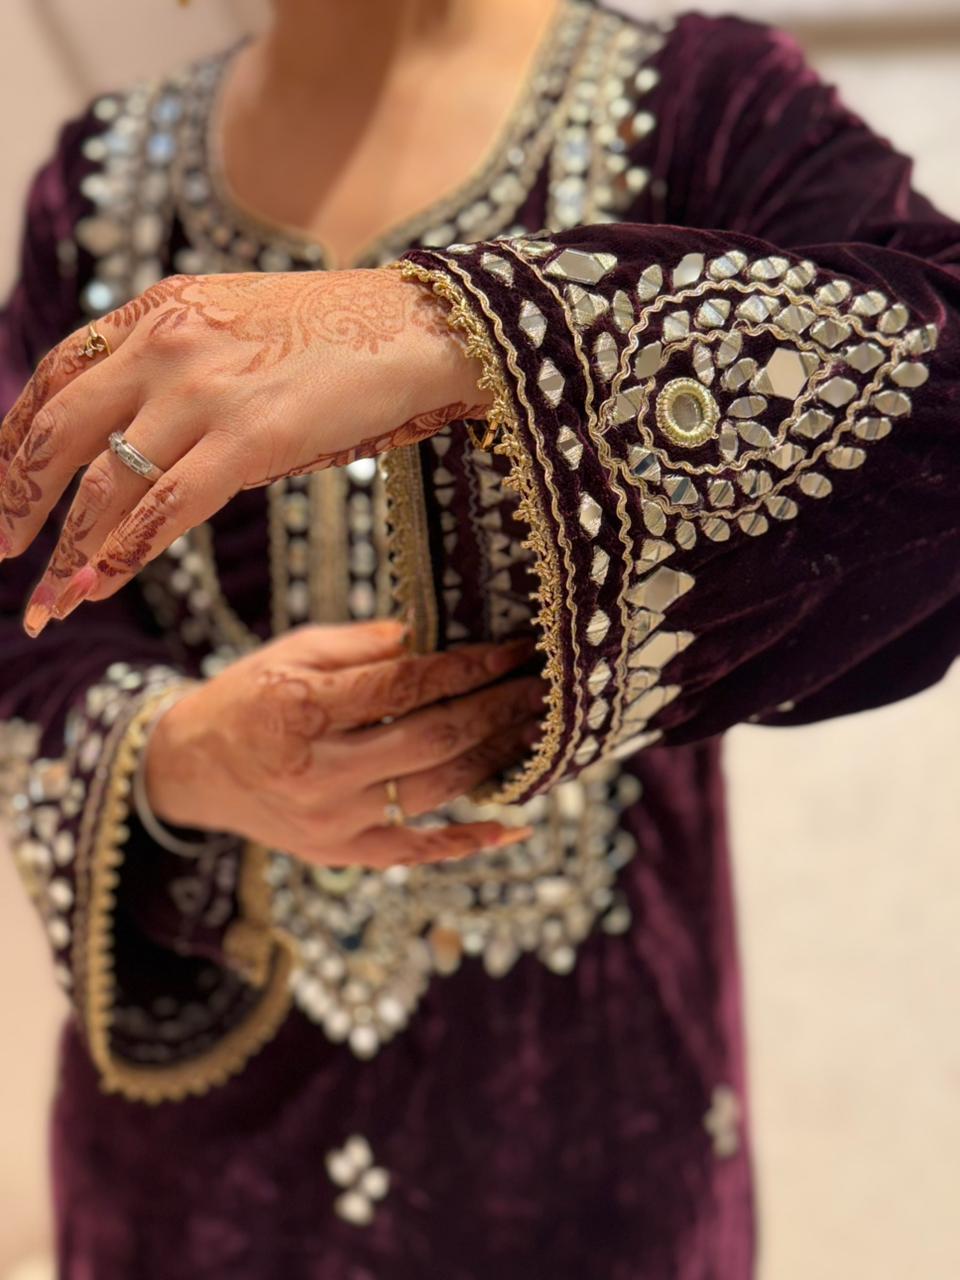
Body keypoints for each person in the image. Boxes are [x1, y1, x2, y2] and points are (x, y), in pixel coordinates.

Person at [1, 0, 957, 1275]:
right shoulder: (103, 184)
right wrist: (176, 754)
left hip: (586, 1151)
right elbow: (17, 612)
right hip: (188, 1183)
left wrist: (458, 330)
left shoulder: (697, 109)